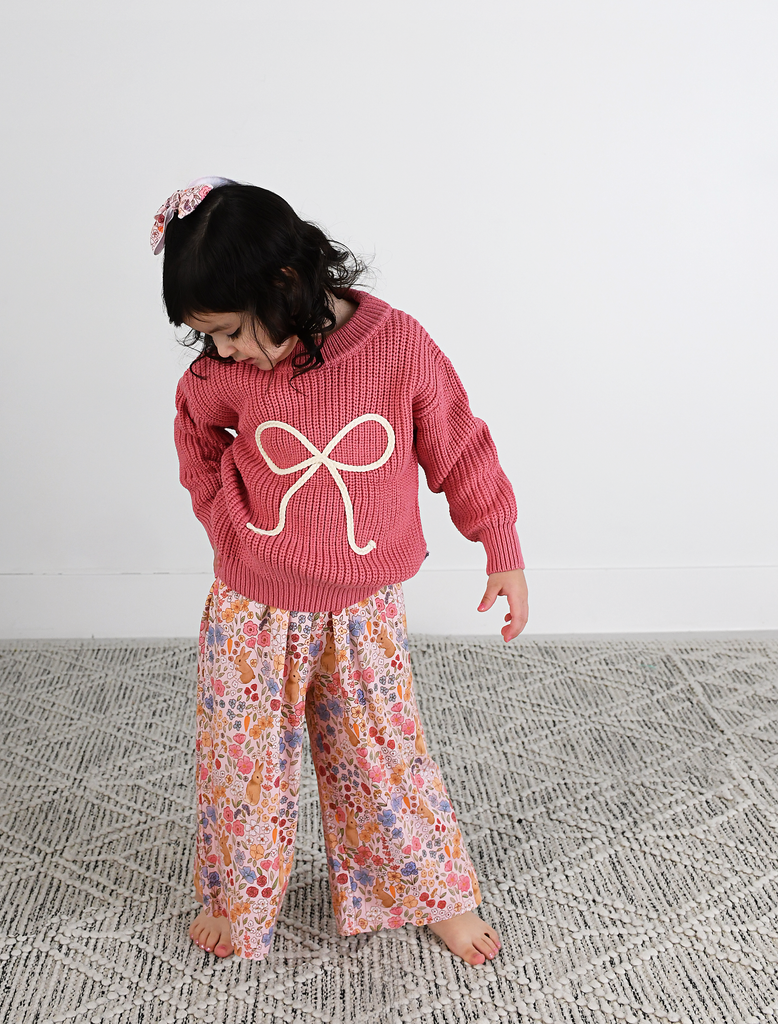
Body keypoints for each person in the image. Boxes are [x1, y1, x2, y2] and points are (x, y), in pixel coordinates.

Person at [154, 177, 529, 965]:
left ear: (285, 282)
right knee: (244, 766)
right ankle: (237, 898)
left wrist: (498, 540)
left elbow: (457, 441)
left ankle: (430, 892)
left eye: (229, 332)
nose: (222, 351)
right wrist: (223, 519)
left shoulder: (397, 347)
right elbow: (195, 433)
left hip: (362, 609)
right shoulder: (227, 373)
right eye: (207, 338)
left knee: (383, 756)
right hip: (252, 605)